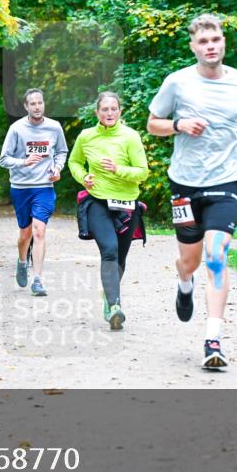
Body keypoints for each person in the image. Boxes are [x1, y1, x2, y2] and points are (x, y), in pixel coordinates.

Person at [147, 14, 237, 369]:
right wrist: (179, 124)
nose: (210, 47)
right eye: (203, 42)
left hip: (224, 180)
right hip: (184, 182)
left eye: (215, 40)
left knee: (215, 256)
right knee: (191, 261)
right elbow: (152, 124)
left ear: (223, 42)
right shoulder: (177, 82)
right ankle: (184, 283)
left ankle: (213, 340)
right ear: (193, 47)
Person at [68, 91, 149, 330]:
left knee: (120, 258)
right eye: (105, 109)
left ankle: (108, 296)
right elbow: (74, 162)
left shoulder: (131, 137)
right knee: (110, 251)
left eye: (114, 109)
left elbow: (143, 172)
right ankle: (115, 306)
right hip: (98, 202)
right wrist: (84, 177)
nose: (109, 113)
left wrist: (118, 169)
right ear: (97, 112)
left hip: (127, 204)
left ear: (120, 111)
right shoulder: (86, 136)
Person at [0, 87, 69, 296]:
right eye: (33, 104)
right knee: (25, 235)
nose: (37, 107)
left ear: (43, 104)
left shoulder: (54, 127)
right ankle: (22, 261)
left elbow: (62, 152)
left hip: (44, 187)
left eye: (40, 103)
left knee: (39, 231)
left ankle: (37, 279)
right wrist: (24, 162)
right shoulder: (16, 129)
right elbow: (3, 159)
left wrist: (57, 168)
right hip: (21, 188)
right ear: (26, 106)